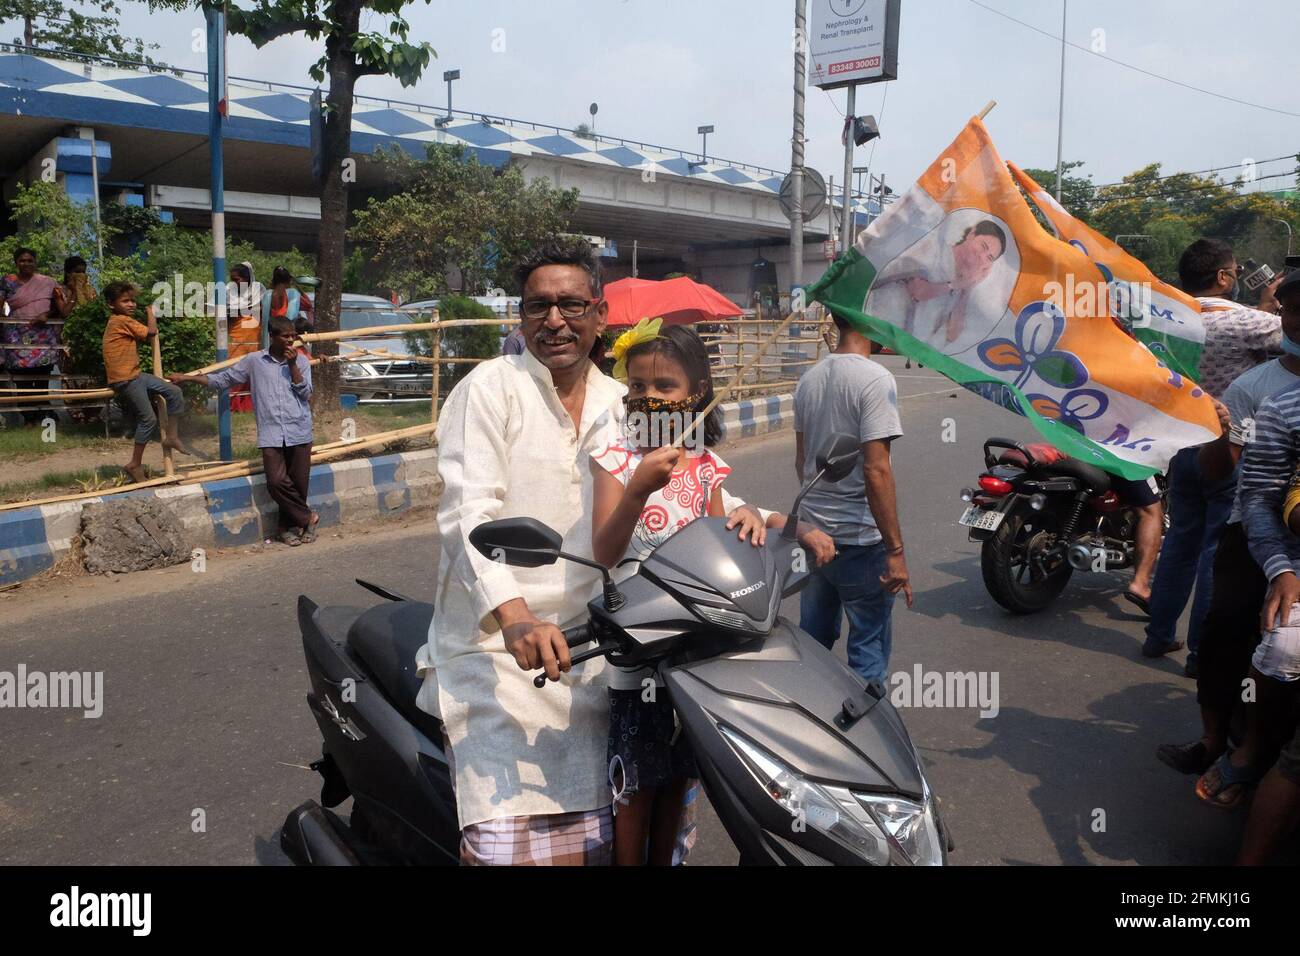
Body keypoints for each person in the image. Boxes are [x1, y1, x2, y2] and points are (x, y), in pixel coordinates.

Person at [411, 238, 767, 865]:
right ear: (520, 317)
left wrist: (758, 517)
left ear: (600, 316)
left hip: (614, 642)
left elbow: (690, 479)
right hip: (503, 649)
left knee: (653, 811)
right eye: (538, 307)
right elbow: (468, 513)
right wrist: (515, 615)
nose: (554, 321)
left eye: (571, 306)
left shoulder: (622, 398)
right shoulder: (488, 390)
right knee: (507, 848)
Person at [589, 321, 834, 865]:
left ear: (697, 393)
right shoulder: (613, 457)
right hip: (640, 645)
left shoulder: (707, 466)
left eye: (664, 387)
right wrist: (636, 490)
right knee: (635, 779)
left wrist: (748, 516)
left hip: (700, 649)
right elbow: (605, 552)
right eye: (636, 387)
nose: (646, 398)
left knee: (680, 769)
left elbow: (721, 549)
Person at [1156, 270, 1300, 782]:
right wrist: (1222, 432)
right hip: (1257, 528)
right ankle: (1215, 739)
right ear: (1282, 313)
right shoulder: (1254, 388)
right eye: (1294, 307)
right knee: (1228, 623)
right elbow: (1227, 474)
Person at [1139, 239, 1285, 668]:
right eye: (1235, 270)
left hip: (1178, 445)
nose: (1238, 276)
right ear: (1222, 278)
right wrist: (1270, 303)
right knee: (1215, 551)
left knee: (1181, 541)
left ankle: (1159, 635)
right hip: (1229, 447)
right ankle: (1202, 652)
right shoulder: (1246, 322)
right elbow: (1288, 338)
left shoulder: (1163, 322)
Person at [793, 308, 913, 685]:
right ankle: (868, 738)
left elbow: (803, 462)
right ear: (871, 320)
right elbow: (876, 470)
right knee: (867, 656)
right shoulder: (875, 379)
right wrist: (895, 551)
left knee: (812, 646)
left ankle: (807, 724)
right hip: (860, 543)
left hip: (814, 538)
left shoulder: (808, 379)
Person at [170, 315, 318, 546]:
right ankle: (308, 517)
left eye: (293, 336)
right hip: (270, 432)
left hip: (298, 428)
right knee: (276, 482)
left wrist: (292, 366)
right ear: (272, 336)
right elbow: (223, 380)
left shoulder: (300, 362)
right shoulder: (255, 361)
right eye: (285, 336)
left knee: (298, 483)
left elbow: (306, 394)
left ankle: (287, 528)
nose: (290, 341)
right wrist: (187, 378)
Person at [100, 282, 188, 483]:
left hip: (136, 374)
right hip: (126, 378)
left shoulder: (122, 320)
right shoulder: (120, 320)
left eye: (133, 300)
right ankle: (134, 463)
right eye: (125, 301)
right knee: (148, 419)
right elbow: (151, 333)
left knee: (174, 392)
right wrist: (151, 313)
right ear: (112, 304)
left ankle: (172, 436)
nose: (131, 304)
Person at [1, 247, 70, 421]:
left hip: (42, 337)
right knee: (21, 381)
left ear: (35, 262)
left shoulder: (48, 282)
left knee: (42, 379)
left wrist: (47, 314)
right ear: (16, 262)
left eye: (30, 260)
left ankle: (44, 416)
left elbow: (62, 309)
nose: (26, 263)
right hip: (16, 337)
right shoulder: (7, 281)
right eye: (22, 260)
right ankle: (29, 419)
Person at [226, 262, 261, 413]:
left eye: (237, 279)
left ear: (247, 279)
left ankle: (246, 406)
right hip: (236, 337)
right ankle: (232, 406)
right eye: (232, 280)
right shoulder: (229, 294)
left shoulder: (257, 293)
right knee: (235, 371)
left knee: (250, 372)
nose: (234, 283)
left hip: (254, 338)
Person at [260, 266, 301, 350]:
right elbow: (293, 316)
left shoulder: (267, 295)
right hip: (286, 337)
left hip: (271, 338)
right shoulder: (293, 294)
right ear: (289, 280)